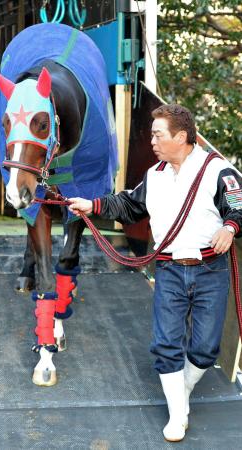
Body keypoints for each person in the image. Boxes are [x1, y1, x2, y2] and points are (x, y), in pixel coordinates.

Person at [68, 104, 242, 442]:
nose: (152, 141)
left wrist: (231, 228)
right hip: (169, 270)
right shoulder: (155, 175)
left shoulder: (219, 170)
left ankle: (182, 391)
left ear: (180, 137)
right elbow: (130, 205)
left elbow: (239, 206)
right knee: (166, 344)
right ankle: (178, 414)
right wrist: (93, 206)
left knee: (206, 349)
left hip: (210, 270)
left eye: (157, 134)